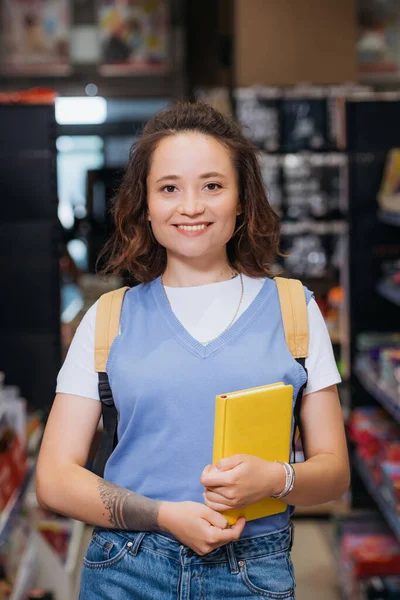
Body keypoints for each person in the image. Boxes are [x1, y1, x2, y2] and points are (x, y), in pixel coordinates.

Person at [36, 101, 350, 599]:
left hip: (253, 570)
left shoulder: (293, 309)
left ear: (241, 199)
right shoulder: (109, 318)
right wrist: (164, 516)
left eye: (212, 185)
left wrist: (275, 477)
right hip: (126, 567)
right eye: (169, 188)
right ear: (145, 204)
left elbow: (334, 472)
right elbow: (53, 478)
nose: (191, 206)